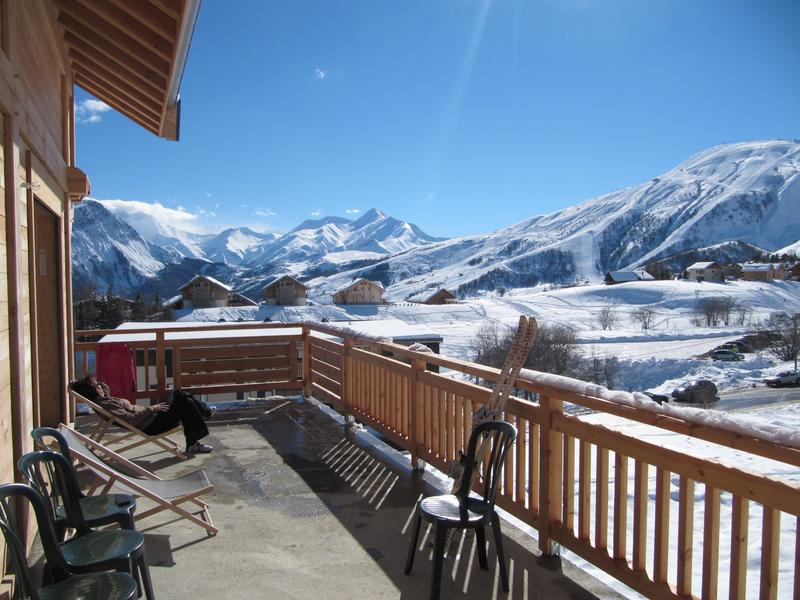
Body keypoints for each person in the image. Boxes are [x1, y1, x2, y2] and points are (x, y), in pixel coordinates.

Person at [73, 375, 216, 453]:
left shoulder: (104, 400)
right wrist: (152, 409)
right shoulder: (106, 404)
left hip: (151, 419)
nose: (99, 385)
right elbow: (129, 419)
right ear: (94, 391)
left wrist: (92, 385)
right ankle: (204, 414)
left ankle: (197, 432)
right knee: (181, 398)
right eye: (96, 385)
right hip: (152, 424)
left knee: (185, 401)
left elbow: (105, 387)